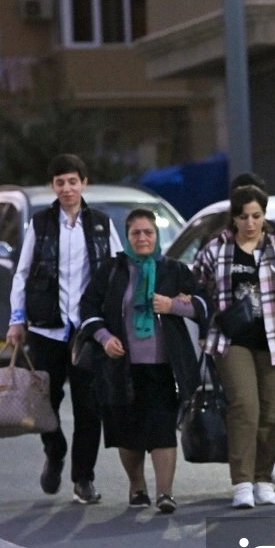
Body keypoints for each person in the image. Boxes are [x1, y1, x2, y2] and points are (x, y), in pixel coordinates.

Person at [194, 184, 275, 508]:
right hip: (232, 340)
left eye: (256, 216)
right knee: (244, 407)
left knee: (270, 411)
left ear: (264, 216)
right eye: (244, 216)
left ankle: (263, 478)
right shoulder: (216, 250)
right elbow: (196, 286)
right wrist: (204, 322)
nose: (250, 223)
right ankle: (242, 482)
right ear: (233, 218)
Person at [78, 208, 206, 513]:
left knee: (162, 428)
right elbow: (88, 309)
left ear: (157, 235)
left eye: (148, 232)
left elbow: (204, 303)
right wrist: (105, 338)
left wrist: (173, 305)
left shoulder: (173, 270)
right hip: (120, 366)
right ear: (127, 237)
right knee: (128, 431)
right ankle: (137, 487)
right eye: (136, 233)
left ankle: (165, 493)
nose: (142, 238)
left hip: (165, 367)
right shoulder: (113, 270)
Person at [7, 154, 116, 505]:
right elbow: (22, 274)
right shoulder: (40, 224)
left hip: (88, 331)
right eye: (60, 182)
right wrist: (16, 319)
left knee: (89, 407)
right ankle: (55, 452)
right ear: (52, 187)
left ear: (84, 182)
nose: (67, 188)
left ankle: (83, 478)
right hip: (47, 330)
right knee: (45, 403)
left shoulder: (101, 224)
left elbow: (116, 273)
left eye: (73, 181)